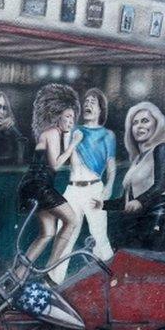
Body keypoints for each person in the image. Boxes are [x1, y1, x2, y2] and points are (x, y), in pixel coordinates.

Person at [47, 88, 116, 284]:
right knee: (64, 234)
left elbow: (111, 166)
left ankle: (110, 277)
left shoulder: (108, 135)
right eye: (86, 101)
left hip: (95, 188)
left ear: (101, 109)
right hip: (72, 189)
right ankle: (54, 281)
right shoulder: (74, 131)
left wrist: (109, 186)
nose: (88, 104)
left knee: (100, 235)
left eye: (93, 101)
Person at [92, 101, 165, 251]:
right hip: (138, 215)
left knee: (147, 261)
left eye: (145, 121)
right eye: (135, 123)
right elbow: (127, 201)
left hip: (160, 210)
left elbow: (161, 185)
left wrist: (140, 201)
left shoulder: (162, 149)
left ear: (157, 124)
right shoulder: (137, 160)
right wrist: (103, 205)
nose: (139, 126)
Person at [16, 84, 80, 282]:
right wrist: (73, 144)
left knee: (47, 233)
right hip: (38, 185)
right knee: (73, 220)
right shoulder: (51, 132)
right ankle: (51, 272)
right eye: (67, 116)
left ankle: (18, 276)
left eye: (72, 117)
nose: (71, 121)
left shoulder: (55, 134)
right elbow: (55, 164)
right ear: (56, 115)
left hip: (36, 186)